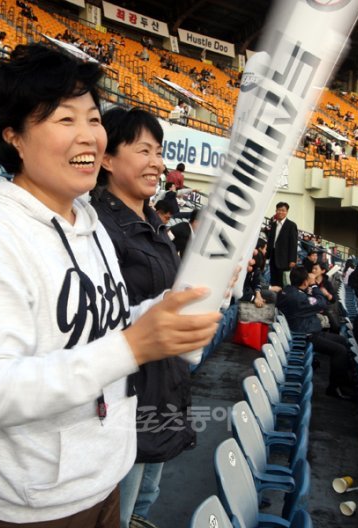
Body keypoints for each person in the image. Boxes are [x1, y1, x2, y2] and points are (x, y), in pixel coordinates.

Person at [0, 45, 220, 528]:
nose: (89, 134)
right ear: (15, 138)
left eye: (93, 118)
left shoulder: (87, 221)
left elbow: (102, 326)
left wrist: (168, 308)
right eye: (64, 120)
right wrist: (133, 345)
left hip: (101, 478)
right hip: (29, 507)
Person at [91, 107, 203, 528]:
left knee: (146, 499)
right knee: (121, 509)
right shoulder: (97, 227)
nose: (157, 162)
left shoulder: (154, 221)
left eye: (159, 151)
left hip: (165, 385)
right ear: (107, 159)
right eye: (144, 150)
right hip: (129, 397)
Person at [276, 266, 352, 399]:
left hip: (306, 328)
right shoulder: (298, 298)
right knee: (340, 350)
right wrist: (314, 285)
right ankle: (334, 388)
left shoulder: (287, 291)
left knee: (343, 341)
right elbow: (321, 303)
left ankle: (344, 381)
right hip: (305, 335)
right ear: (305, 282)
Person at [266, 201, 298, 287]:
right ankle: (275, 297)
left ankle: (282, 297)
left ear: (287, 212)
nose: (280, 212)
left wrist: (292, 260)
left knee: (282, 281)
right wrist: (267, 255)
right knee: (273, 279)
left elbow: (293, 243)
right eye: (279, 210)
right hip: (273, 256)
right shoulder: (273, 224)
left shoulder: (291, 225)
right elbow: (270, 241)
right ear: (276, 211)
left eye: (283, 210)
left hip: (284, 258)